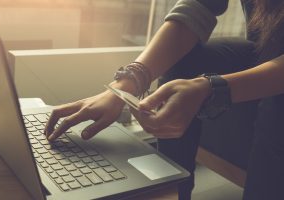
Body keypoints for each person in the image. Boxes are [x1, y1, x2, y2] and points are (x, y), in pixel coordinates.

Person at [44, 0, 284, 199]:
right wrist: (124, 86)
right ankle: (172, 192)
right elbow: (197, 7)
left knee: (276, 109)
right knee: (186, 60)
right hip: (268, 54)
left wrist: (214, 89)